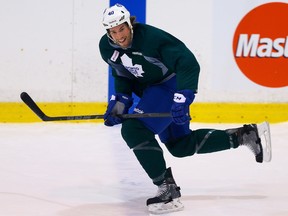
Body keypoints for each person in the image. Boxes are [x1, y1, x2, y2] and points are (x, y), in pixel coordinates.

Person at [99, 3, 271, 214]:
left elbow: (187, 62)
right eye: (113, 31)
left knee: (134, 130)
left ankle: (168, 190)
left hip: (169, 85)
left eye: (122, 29)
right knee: (180, 145)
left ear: (130, 24)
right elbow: (122, 74)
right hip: (152, 91)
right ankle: (245, 135)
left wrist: (183, 97)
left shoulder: (151, 38)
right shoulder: (106, 47)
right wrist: (120, 101)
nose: (119, 36)